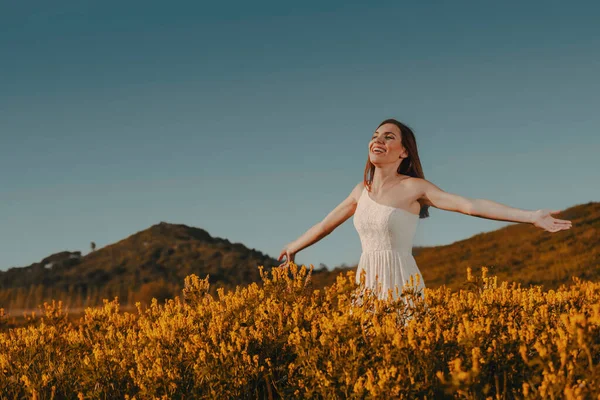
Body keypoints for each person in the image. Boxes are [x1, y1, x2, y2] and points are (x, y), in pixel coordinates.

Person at [277, 118, 573, 306]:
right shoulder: (360, 191)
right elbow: (325, 225)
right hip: (367, 284)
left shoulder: (415, 188)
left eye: (389, 137)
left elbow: (469, 206)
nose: (378, 139)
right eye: (376, 135)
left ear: (404, 151)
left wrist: (531, 216)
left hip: (402, 282)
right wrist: (293, 248)